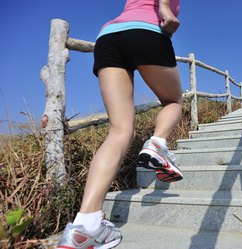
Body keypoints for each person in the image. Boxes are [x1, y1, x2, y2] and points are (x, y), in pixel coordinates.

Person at [57, 0, 183, 248]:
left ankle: (85, 225)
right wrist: (166, 9)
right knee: (173, 100)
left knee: (120, 130)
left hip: (109, 36)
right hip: (147, 29)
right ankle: (157, 144)